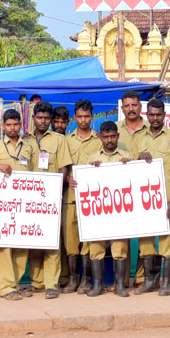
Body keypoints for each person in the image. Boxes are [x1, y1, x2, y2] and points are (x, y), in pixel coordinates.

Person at [129, 97, 170, 295]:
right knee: (145, 242)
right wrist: (138, 158)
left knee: (166, 240)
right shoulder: (138, 138)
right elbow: (131, 167)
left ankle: (166, 283)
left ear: (164, 116)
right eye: (151, 114)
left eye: (158, 115)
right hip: (144, 201)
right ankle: (149, 281)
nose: (154, 118)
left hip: (166, 198)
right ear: (146, 115)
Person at [0, 109, 37, 299]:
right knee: (4, 247)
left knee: (22, 246)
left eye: (16, 124)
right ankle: (6, 288)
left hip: (24, 206)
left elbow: (36, 175)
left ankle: (15, 283)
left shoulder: (29, 147)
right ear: (3, 126)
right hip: (2, 207)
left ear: (21, 125)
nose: (12, 128)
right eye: (9, 125)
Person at [81, 120, 139, 296]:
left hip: (119, 211)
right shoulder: (91, 158)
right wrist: (88, 172)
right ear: (100, 137)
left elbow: (136, 179)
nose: (109, 140)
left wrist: (129, 166)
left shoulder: (127, 156)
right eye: (106, 137)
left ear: (118, 136)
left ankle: (119, 285)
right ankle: (97, 286)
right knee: (96, 247)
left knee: (119, 248)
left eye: (113, 136)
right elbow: (83, 182)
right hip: (97, 212)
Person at [25, 101, 70, 299]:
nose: (42, 121)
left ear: (50, 120)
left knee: (52, 242)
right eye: (39, 118)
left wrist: (58, 190)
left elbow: (63, 167)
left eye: (46, 118)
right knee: (34, 241)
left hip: (51, 199)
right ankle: (37, 282)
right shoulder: (24, 140)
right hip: (28, 200)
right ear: (33, 118)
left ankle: (52, 283)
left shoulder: (59, 140)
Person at [60, 98, 101, 293]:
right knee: (71, 240)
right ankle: (72, 280)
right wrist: (67, 178)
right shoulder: (66, 140)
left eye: (87, 116)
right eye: (80, 116)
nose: (83, 120)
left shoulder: (100, 139)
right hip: (70, 197)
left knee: (89, 239)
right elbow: (63, 166)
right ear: (74, 117)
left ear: (92, 117)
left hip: (91, 198)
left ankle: (86, 280)